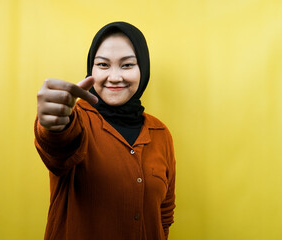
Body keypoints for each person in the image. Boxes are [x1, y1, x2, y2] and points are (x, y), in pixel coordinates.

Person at [34, 21, 176, 240]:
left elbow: (163, 215)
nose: (115, 77)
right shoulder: (76, 118)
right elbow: (58, 148)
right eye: (103, 65)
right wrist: (55, 125)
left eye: (127, 65)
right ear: (91, 68)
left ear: (143, 69)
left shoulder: (160, 133)